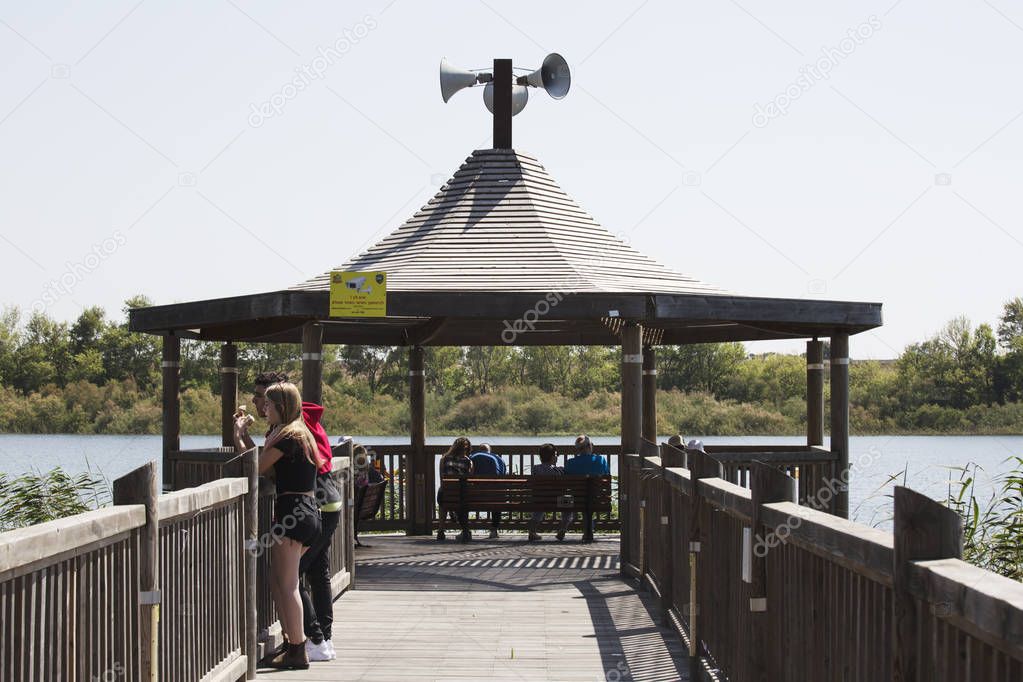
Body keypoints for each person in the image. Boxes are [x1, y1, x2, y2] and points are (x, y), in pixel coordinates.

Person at [234, 372, 340, 663]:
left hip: (294, 513)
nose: (264, 409)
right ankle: (294, 643)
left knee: (289, 583)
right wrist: (245, 437)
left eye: (268, 404)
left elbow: (253, 468)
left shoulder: (289, 436)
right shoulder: (298, 433)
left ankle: (298, 648)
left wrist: (239, 437)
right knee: (279, 581)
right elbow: (267, 469)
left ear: (282, 405)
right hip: (305, 513)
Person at [563, 435, 610, 540]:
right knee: (589, 498)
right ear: (589, 446)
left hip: (576, 500)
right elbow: (607, 475)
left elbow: (566, 484)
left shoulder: (570, 463)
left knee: (580, 498)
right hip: (598, 499)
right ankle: (589, 532)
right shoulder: (601, 460)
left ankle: (581, 531)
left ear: (578, 450)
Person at [527, 443, 572, 542]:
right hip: (557, 501)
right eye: (556, 455)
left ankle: (532, 532)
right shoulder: (558, 471)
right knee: (568, 504)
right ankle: (563, 529)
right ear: (552, 457)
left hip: (540, 500)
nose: (557, 457)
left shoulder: (535, 469)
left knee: (539, 507)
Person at [437, 437, 473, 542]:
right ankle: (465, 530)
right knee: (462, 500)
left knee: (444, 502)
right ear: (467, 449)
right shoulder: (468, 461)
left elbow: (441, 478)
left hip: (446, 493)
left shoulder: (444, 459)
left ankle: (440, 531)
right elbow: (470, 479)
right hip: (462, 495)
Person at [469, 443, 506, 539]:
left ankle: (465, 530)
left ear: (479, 450)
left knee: (463, 496)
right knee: (498, 496)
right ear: (489, 451)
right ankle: (494, 530)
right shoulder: (500, 460)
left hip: (474, 497)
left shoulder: (472, 457)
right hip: (495, 498)